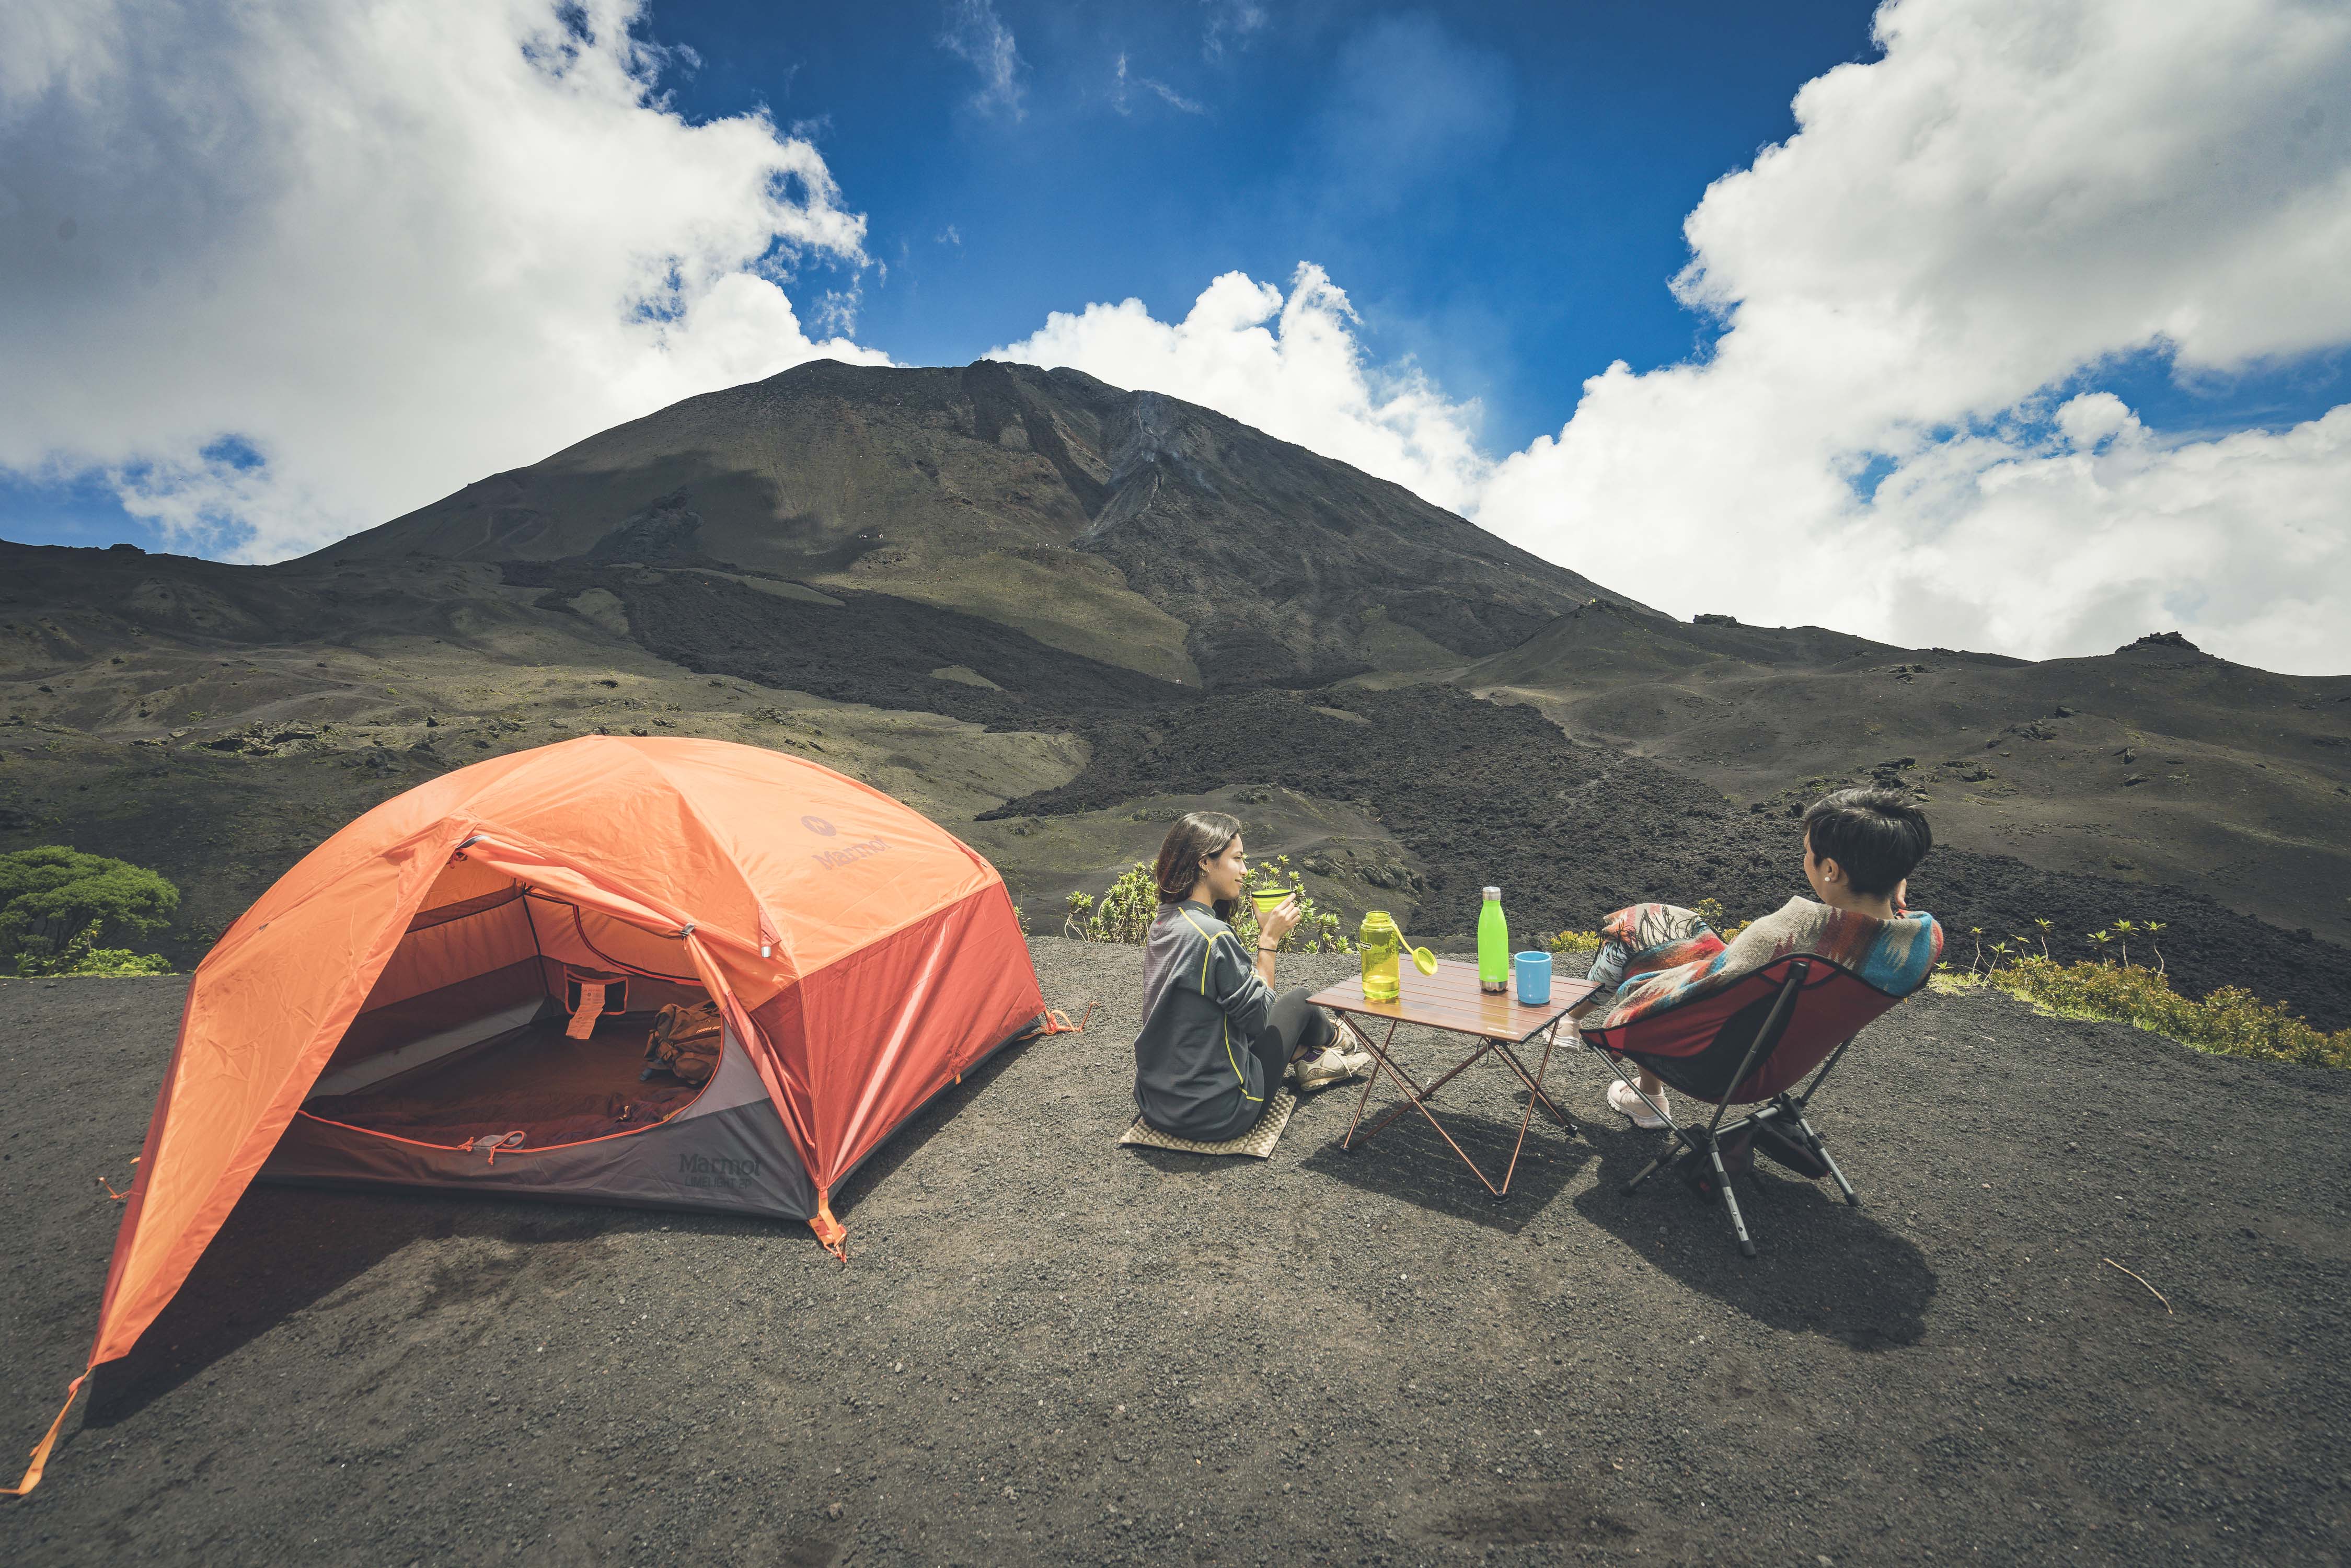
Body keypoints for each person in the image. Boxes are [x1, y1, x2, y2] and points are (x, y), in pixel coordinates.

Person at [1592, 788, 1940, 1128]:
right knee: (1675, 926)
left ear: (1831, 869)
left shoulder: (1783, 939)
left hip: (1716, 1069)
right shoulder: (1922, 944)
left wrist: (1634, 994)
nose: (1805, 860)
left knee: (1639, 926)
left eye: (1808, 852)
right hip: (1780, 1065)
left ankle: (1647, 1099)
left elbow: (1685, 996)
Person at [1132, 811, 1372, 1141]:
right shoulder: (1212, 935)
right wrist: (1268, 942)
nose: (1245, 871)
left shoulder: (1165, 923)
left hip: (1157, 1105)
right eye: (1237, 859)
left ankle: (1312, 1056)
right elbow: (1261, 1020)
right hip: (1219, 1112)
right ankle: (1335, 1042)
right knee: (1300, 1000)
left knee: (1268, 1010)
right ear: (1205, 862)